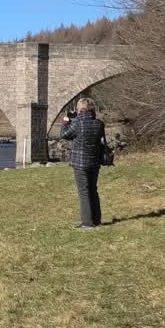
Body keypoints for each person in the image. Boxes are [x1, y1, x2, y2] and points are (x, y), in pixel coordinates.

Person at [60, 97, 106, 229]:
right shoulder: (99, 123)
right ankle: (97, 221)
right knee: (93, 190)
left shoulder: (77, 124)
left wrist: (66, 122)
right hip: (95, 161)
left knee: (83, 192)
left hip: (80, 163)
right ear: (92, 109)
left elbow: (65, 135)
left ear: (80, 109)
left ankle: (87, 223)